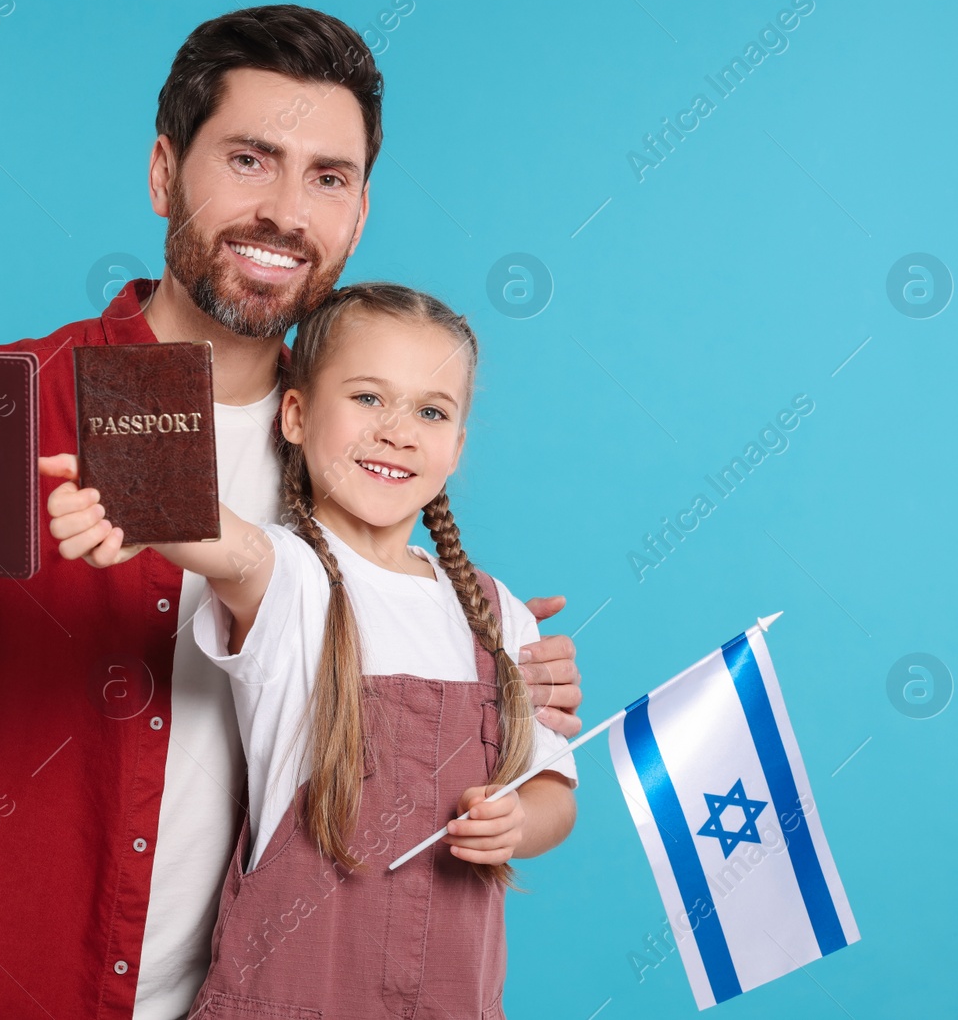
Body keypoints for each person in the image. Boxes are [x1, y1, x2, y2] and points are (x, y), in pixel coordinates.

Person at [0, 5, 585, 1020]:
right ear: (162, 174)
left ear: (359, 214)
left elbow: (400, 710)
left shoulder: (356, 443)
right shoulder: (3, 406)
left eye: (327, 176)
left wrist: (494, 669)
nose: (285, 208)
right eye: (248, 158)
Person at [46, 282, 578, 1018]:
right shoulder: (291, 576)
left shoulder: (496, 613)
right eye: (367, 398)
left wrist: (519, 818)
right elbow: (216, 537)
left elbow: (553, 786)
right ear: (295, 415)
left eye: (431, 411)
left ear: (456, 446)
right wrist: (118, 494)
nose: (397, 431)